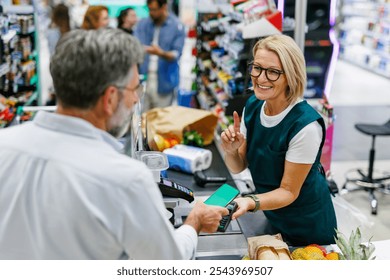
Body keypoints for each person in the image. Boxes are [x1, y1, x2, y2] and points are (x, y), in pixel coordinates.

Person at [0, 29, 228, 260]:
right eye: (135, 89)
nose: (136, 99)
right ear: (109, 99)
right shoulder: (124, 179)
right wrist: (194, 222)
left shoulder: (4, 146)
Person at [221, 34, 337, 246]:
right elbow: (239, 166)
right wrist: (231, 150)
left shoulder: (305, 125)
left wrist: (250, 201)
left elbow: (288, 191)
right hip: (273, 214)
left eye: (273, 72)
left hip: (308, 226)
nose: (261, 78)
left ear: (290, 76)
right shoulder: (254, 107)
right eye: (257, 67)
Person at [134, 0, 185, 111]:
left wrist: (160, 53)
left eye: (154, 10)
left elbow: (176, 54)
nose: (151, 13)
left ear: (164, 7)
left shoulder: (177, 26)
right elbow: (135, 44)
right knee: (142, 120)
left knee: (161, 120)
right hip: (143, 80)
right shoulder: (142, 24)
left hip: (164, 81)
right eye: (149, 9)